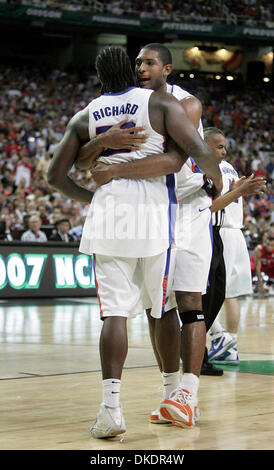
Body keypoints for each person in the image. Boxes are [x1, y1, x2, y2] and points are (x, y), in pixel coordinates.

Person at [47, 46, 222, 438]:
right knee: (162, 310)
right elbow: (192, 151)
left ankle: (111, 409)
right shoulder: (159, 102)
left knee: (114, 314)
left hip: (110, 213)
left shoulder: (85, 114)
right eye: (139, 64)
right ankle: (172, 393)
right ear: (131, 70)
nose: (143, 68)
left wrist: (94, 195)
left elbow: (56, 176)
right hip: (154, 214)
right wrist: (220, 180)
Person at [201, 127, 266, 366]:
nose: (224, 151)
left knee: (211, 292)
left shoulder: (208, 164)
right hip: (237, 232)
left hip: (221, 230)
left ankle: (219, 336)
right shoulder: (230, 167)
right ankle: (231, 346)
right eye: (220, 146)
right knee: (230, 295)